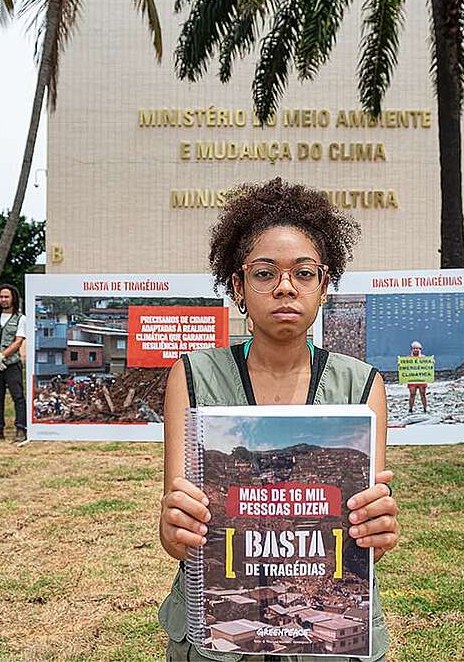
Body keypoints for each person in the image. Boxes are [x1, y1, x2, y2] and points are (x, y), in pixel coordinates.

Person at [157, 178, 399, 661]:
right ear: (238, 287)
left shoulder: (361, 386)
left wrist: (376, 530)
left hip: (323, 639)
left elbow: (360, 539)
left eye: (304, 273)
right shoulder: (192, 377)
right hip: (219, 634)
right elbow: (176, 533)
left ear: (324, 287)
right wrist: (174, 528)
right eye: (265, 273)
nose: (286, 287)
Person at [0, 283, 27, 443]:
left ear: (13, 299)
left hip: (12, 365)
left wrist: (1, 356)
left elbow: (18, 341)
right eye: (1, 297)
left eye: (6, 296)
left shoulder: (21, 319)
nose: (3, 300)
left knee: (18, 397)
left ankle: (21, 429)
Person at [407, 340, 428, 414]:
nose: (416, 350)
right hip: (412, 379)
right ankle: (410, 409)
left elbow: (428, 367)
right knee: (412, 394)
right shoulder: (408, 359)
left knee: (423, 394)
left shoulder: (424, 358)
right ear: (412, 349)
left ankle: (425, 409)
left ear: (420, 349)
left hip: (421, 379)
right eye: (414, 348)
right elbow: (405, 368)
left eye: (417, 348)